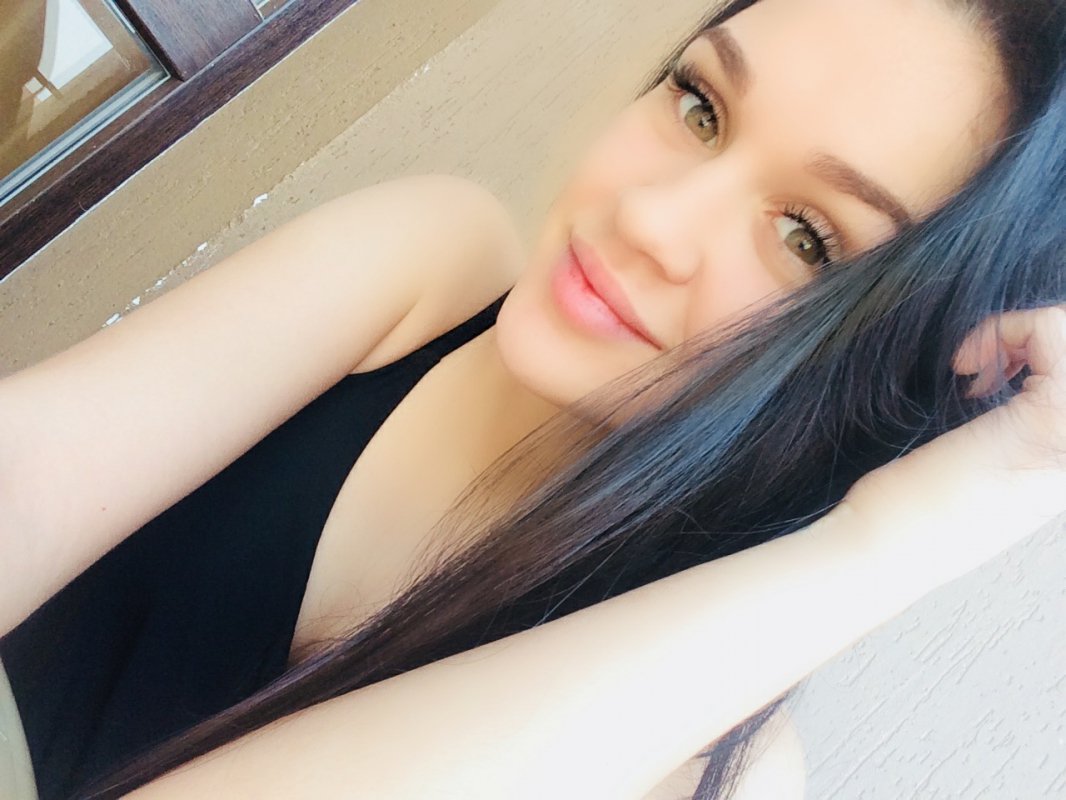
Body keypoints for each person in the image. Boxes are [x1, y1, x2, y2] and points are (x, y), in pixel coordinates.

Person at [1, 0, 1064, 797]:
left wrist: (876, 549)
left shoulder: (708, 773)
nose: (650, 218)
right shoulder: (423, 267)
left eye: (807, 240)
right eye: (700, 106)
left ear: (910, 383)